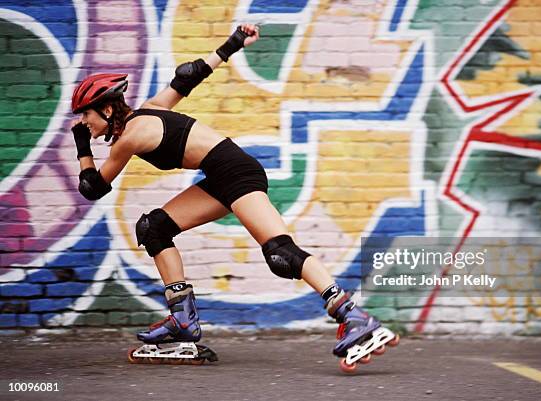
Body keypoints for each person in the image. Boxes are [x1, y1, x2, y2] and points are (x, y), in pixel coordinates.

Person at [70, 24, 398, 372]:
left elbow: (93, 186)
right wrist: (233, 43)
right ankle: (182, 319)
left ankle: (353, 317)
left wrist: (81, 146)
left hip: (237, 172)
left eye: (86, 115)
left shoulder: (129, 138)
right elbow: (188, 78)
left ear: (106, 110)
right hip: (219, 176)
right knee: (154, 229)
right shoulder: (150, 109)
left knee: (280, 252)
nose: (84, 123)